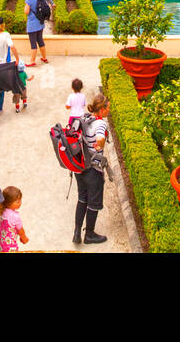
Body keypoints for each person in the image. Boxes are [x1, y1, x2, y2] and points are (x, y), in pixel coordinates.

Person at [73, 94, 110, 245]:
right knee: (93, 203)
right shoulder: (101, 124)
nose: (109, 110)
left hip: (79, 168)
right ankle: (89, 235)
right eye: (108, 107)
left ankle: (76, 232)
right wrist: (99, 143)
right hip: (93, 170)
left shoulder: (85, 117)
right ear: (101, 109)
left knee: (82, 198)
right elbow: (100, 137)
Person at [0, 186, 28, 252]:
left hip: (0, 244)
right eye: (18, 201)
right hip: (10, 247)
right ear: (9, 202)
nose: (20, 203)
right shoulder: (15, 216)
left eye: (20, 200)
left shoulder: (3, 210)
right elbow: (21, 231)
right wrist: (24, 238)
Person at [24, 0, 49, 66]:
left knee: (33, 43)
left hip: (32, 24)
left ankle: (32, 61)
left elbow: (26, 11)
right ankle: (44, 58)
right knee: (40, 41)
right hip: (40, 23)